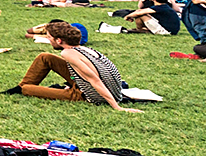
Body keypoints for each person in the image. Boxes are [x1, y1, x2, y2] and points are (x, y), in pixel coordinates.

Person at [9, 23, 141, 110]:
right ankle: (19, 87)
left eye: (49, 38)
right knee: (45, 57)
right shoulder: (86, 50)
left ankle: (21, 88)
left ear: (59, 40)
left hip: (88, 95)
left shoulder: (67, 53)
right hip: (109, 90)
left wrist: (116, 106)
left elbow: (94, 79)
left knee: (27, 89)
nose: (48, 40)